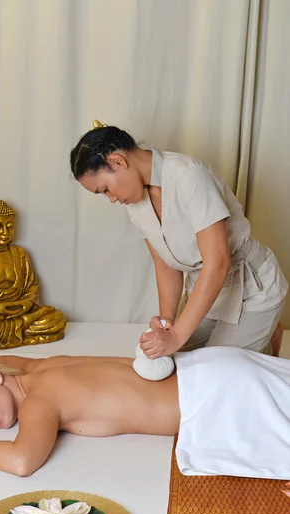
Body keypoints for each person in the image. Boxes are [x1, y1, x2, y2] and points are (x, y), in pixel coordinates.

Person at [70, 121, 288, 358]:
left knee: (214, 373)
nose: (110, 199)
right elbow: (165, 265)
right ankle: (261, 334)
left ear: (117, 161)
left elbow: (218, 264)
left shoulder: (188, 175)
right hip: (205, 291)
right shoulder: (134, 200)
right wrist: (167, 324)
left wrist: (176, 337)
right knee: (170, 362)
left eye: (105, 189)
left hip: (251, 290)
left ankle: (264, 333)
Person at [0, 347, 290, 480]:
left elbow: (21, 461)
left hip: (218, 397)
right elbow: (4, 361)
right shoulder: (40, 368)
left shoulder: (41, 401)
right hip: (212, 368)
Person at [0, 199, 66, 351]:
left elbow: (32, 285)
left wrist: (27, 304)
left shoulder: (20, 254)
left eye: (10, 227)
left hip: (20, 310)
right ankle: (22, 328)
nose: (5, 232)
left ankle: (22, 325)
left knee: (57, 318)